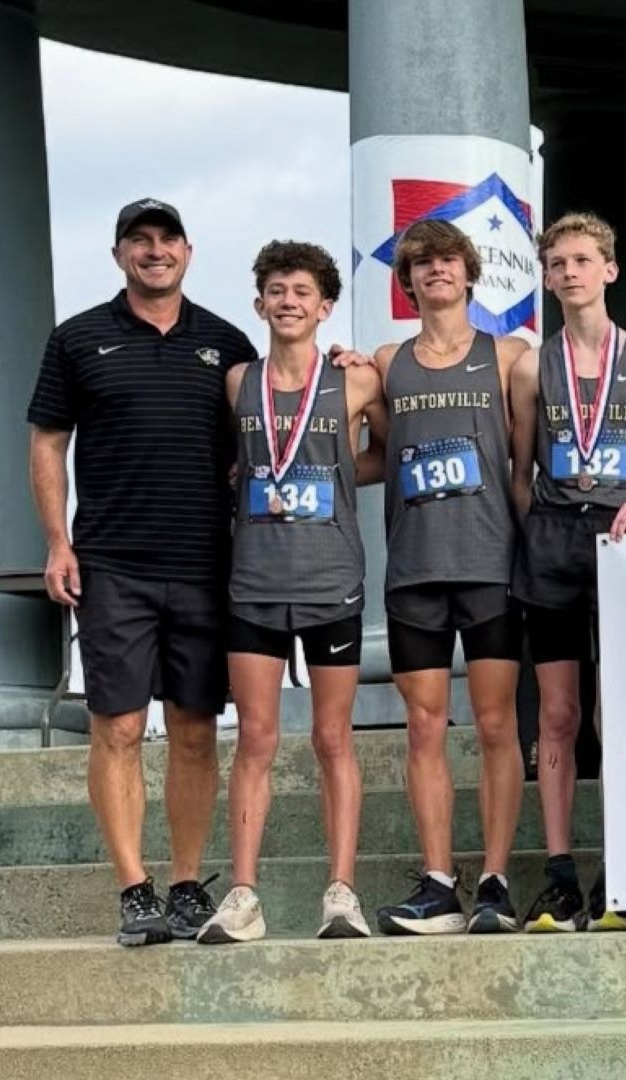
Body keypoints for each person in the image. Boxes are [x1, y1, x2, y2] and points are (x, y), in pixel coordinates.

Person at [27, 199, 252, 946]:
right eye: (139, 241)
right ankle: (134, 889)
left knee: (193, 729)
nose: (155, 252)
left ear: (188, 250)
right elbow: (48, 443)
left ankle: (186, 886)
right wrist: (58, 542)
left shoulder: (226, 342)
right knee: (118, 726)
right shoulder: (78, 338)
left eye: (166, 241)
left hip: (205, 564)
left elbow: (275, 419)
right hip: (112, 565)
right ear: (120, 253)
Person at [197, 241, 387, 943]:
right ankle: (242, 895)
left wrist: (334, 474)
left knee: (332, 736)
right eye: (276, 290)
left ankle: (341, 894)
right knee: (255, 738)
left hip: (330, 579)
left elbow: (388, 452)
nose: (288, 302)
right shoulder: (236, 381)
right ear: (259, 303)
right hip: (253, 583)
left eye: (302, 292)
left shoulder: (358, 381)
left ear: (325, 307)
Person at [506, 213, 626, 933]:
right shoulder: (527, 366)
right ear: (545, 278)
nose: (569, 273)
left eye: (582, 260)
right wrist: (536, 535)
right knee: (559, 715)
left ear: (610, 270)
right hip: (552, 542)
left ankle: (623, 866)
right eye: (557, 263)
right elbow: (519, 471)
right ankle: (561, 871)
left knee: (617, 714)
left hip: (621, 538)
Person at [371, 219, 530, 935]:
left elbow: (527, 460)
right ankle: (439, 881)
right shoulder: (382, 362)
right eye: (422, 263)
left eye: (447, 261)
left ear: (470, 274)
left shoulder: (508, 357)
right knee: (425, 726)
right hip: (413, 570)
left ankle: (494, 878)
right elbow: (368, 454)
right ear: (406, 282)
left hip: (490, 563)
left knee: (497, 722)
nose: (436, 271)